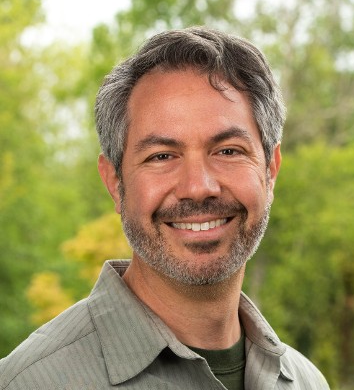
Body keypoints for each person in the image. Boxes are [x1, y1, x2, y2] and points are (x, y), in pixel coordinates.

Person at [0, 27, 330, 389]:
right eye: (162, 156)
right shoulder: (28, 382)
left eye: (228, 151)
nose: (198, 187)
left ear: (270, 170)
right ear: (114, 182)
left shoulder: (306, 381)